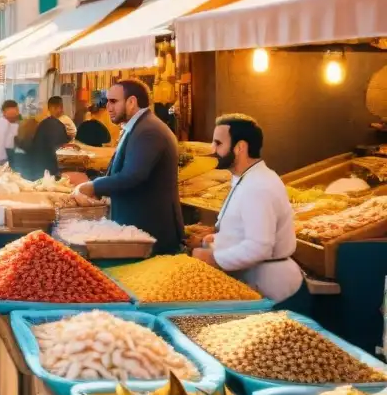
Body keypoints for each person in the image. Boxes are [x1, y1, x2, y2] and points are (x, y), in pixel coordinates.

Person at [192, 114, 308, 312]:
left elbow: (259, 247)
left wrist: (214, 259)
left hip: (276, 293)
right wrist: (216, 239)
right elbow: (245, 230)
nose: (212, 150)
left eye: (218, 143)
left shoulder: (259, 185)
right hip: (256, 287)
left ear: (240, 148)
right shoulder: (246, 178)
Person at [74, 79, 183, 254]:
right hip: (139, 231)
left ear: (131, 102)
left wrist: (93, 186)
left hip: (150, 232)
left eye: (113, 101)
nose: (108, 107)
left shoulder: (149, 131)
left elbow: (133, 176)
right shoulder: (138, 127)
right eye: (107, 101)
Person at [29, 97, 71, 180]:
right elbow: (63, 147)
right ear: (54, 108)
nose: (62, 110)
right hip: (52, 170)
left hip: (37, 168)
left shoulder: (42, 124)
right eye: (61, 107)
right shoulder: (58, 125)